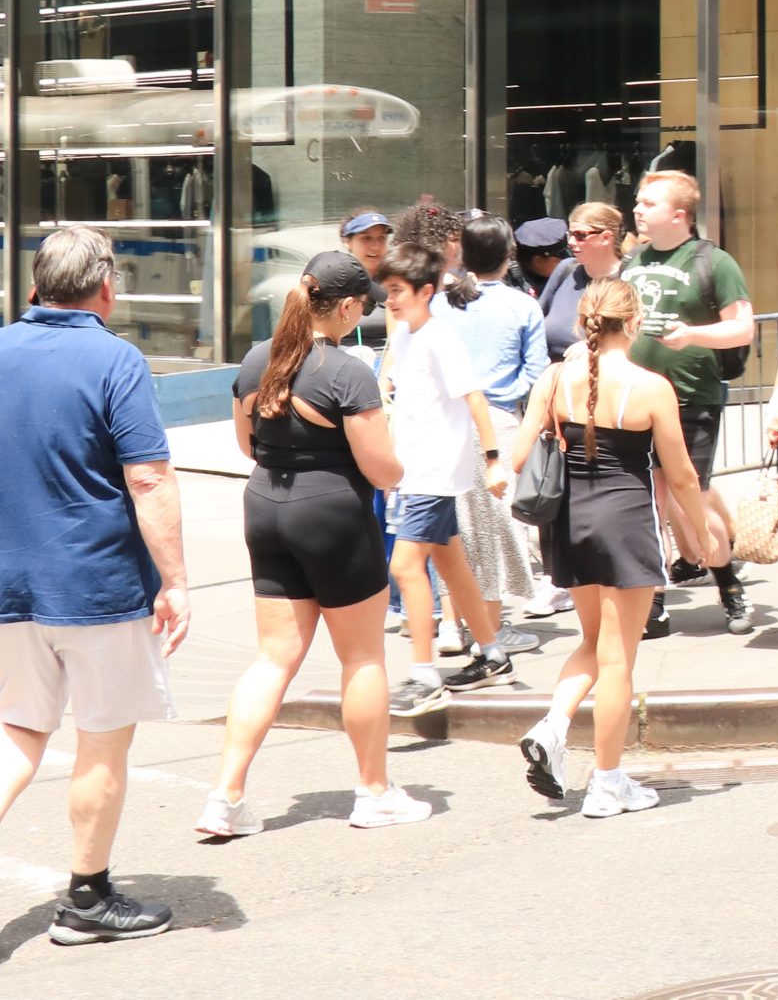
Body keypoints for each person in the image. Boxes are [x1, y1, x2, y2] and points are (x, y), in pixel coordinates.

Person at [0, 226, 189, 947]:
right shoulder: (116, 358)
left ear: (35, 287)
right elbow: (148, 477)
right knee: (102, 738)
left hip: (8, 577)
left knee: (19, 721)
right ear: (107, 287)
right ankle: (86, 895)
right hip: (96, 580)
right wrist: (175, 580)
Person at [197, 251, 428, 839]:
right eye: (363, 306)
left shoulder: (257, 358)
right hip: (332, 516)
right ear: (346, 307)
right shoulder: (348, 372)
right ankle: (374, 792)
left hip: (265, 506)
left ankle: (226, 796)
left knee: (273, 658)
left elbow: (248, 446)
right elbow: (383, 471)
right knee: (363, 657)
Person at [511, 278, 718, 818]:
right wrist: (701, 535)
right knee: (618, 658)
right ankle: (606, 782)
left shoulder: (555, 378)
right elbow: (682, 474)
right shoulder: (651, 387)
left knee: (595, 642)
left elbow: (518, 456)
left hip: (570, 521)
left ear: (585, 321)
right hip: (625, 520)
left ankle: (553, 726)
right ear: (634, 322)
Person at [378, 243, 515, 717]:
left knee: (405, 568)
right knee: (451, 563)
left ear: (425, 291)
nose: (390, 300)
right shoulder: (404, 337)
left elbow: (475, 399)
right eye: (387, 290)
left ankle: (424, 675)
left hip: (433, 473)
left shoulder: (440, 338)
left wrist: (493, 460)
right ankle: (493, 655)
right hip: (414, 470)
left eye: (397, 290)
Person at [624, 170, 757, 634]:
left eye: (649, 203)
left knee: (689, 502)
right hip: (635, 401)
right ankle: (654, 601)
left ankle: (728, 585)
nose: (638, 210)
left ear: (679, 215)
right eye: (638, 202)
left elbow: (743, 327)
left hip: (691, 399)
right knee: (648, 505)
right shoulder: (632, 262)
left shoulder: (713, 262)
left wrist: (692, 335)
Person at [441, 212, 559, 639]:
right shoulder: (522, 305)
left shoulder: (441, 303)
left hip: (446, 418)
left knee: (452, 524)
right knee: (494, 528)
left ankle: (451, 624)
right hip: (499, 418)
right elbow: (537, 372)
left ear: (463, 254)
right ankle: (489, 631)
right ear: (509, 255)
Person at [539, 202, 624, 363]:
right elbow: (537, 321)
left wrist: (596, 347)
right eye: (569, 234)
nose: (571, 242)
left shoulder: (627, 280)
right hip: (553, 373)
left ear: (606, 237)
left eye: (580, 235)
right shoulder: (566, 269)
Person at [342, 209, 394, 349]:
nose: (375, 246)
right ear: (347, 241)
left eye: (381, 238)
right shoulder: (335, 282)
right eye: (366, 238)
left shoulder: (397, 282)